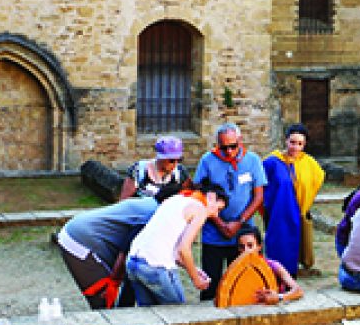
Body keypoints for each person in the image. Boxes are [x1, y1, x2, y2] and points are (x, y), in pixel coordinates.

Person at [194, 123, 267, 301]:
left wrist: (239, 222)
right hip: (214, 233)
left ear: (240, 141)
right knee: (211, 283)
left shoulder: (253, 161)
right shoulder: (207, 161)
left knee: (243, 281)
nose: (228, 152)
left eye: (233, 146)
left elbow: (258, 197)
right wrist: (221, 224)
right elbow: (200, 194)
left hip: (243, 234)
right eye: (223, 147)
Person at [125, 183, 228, 306]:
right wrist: (196, 279)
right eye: (218, 209)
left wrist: (194, 270)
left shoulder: (176, 199)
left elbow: (175, 252)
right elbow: (183, 249)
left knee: (150, 318)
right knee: (178, 315)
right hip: (156, 265)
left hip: (133, 262)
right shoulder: (200, 208)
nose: (216, 215)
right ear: (211, 197)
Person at [56, 194, 160, 309]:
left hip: (81, 231)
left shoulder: (150, 203)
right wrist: (115, 279)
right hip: (81, 241)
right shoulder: (156, 214)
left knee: (116, 295)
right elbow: (127, 249)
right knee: (104, 302)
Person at [262, 123, 325, 277]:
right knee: (278, 247)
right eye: (292, 142)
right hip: (277, 213)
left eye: (300, 144)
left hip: (297, 212)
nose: (295, 147)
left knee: (295, 247)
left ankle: (292, 276)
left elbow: (318, 178)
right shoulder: (272, 162)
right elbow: (261, 185)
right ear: (286, 140)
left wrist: (305, 199)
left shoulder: (308, 163)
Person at [235, 223, 304, 305]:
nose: (246, 250)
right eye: (242, 247)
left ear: (259, 246)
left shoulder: (273, 265)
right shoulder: (235, 270)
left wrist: (279, 297)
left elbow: (298, 291)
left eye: (250, 245)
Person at [119, 136, 190, 200]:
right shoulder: (139, 170)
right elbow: (124, 201)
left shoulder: (180, 172)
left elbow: (189, 196)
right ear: (160, 158)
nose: (175, 164)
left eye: (179, 160)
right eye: (171, 160)